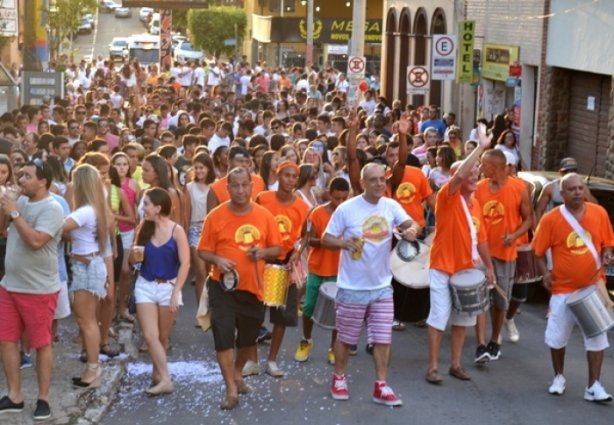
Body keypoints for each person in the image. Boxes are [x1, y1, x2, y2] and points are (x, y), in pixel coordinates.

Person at [322, 163, 421, 407]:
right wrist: (344, 244)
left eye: (382, 180)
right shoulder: (347, 209)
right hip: (352, 287)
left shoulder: (391, 205)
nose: (379, 184)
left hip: (382, 287)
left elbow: (411, 224)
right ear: (363, 183)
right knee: (346, 338)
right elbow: (326, 238)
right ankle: (339, 378)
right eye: (374, 180)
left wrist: (411, 230)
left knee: (382, 338)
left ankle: (381, 386)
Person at [198, 167, 282, 410]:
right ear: (228, 188)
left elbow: (277, 249)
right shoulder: (215, 216)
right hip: (222, 287)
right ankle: (231, 389)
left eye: (245, 185)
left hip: (253, 288)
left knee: (248, 338)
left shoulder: (264, 215)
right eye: (235, 186)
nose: (241, 190)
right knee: (223, 336)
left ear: (252, 186)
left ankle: (237, 373)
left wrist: (263, 252)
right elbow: (202, 250)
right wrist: (217, 260)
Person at [532, 173, 614, 402]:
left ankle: (593, 386)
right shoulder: (551, 219)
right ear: (562, 193)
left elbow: (608, 243)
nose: (578, 192)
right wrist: (545, 273)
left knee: (596, 338)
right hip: (563, 290)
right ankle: (558, 377)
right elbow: (538, 251)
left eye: (581, 188)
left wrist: (607, 254)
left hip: (592, 287)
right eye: (572, 189)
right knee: (557, 337)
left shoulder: (599, 213)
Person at [425, 123, 496, 384]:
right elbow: (458, 176)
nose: (474, 176)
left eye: (476, 172)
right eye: (470, 173)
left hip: (467, 268)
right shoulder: (447, 195)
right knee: (439, 316)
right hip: (442, 267)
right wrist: (480, 148)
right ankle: (432, 367)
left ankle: (455, 364)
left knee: (462, 320)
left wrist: (488, 268)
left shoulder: (476, 204)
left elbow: (482, 240)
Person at [0, 159, 64, 421]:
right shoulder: (21, 201)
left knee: (41, 344)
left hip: (38, 290)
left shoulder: (53, 208)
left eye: (27, 176)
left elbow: (37, 241)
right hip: (10, 284)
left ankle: (43, 398)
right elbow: (3, 231)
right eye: (21, 175)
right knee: (6, 340)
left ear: (43, 181)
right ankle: (14, 395)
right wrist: (7, 208)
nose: (21, 180)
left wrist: (14, 212)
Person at [248, 160, 310, 378]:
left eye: (294, 176)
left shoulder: (302, 207)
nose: (290, 180)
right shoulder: (263, 198)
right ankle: (252, 360)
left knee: (281, 317)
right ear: (278, 175)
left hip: (285, 265)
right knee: (254, 313)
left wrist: (298, 252)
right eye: (287, 175)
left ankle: (272, 360)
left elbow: (305, 235)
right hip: (261, 263)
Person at [473, 149, 532, 363]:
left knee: (500, 302)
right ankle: (480, 344)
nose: (481, 168)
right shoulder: (478, 189)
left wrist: (515, 235)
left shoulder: (519, 188)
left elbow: (529, 220)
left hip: (505, 255)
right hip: (481, 254)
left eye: (484, 165)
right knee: (480, 299)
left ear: (497, 167)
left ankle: (495, 339)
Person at [131, 187, 189, 396]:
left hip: (169, 287)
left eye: (146, 204)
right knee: (150, 335)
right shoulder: (143, 228)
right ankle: (166, 379)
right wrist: (135, 255)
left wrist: (176, 292)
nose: (142, 208)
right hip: (145, 284)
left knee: (163, 337)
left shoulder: (177, 231)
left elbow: (185, 263)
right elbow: (133, 260)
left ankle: (158, 374)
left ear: (158, 207)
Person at [63, 164, 110, 388]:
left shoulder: (84, 211)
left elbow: (56, 227)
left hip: (86, 267)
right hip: (90, 264)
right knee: (87, 319)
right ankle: (92, 366)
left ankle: (93, 368)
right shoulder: (95, 208)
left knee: (87, 320)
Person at [294, 177, 350, 364]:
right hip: (317, 268)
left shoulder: (351, 213)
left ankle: (333, 348)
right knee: (309, 307)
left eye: (344, 198)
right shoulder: (316, 213)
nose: (340, 203)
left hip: (339, 270)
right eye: (336, 198)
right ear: (329, 194)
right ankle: (306, 340)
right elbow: (307, 239)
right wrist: (328, 242)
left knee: (337, 313)